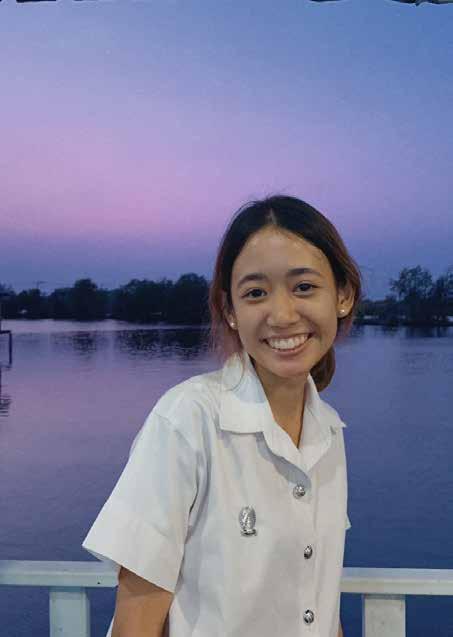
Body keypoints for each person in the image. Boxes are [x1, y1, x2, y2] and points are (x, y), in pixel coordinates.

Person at [82, 194, 363, 637]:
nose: (282, 315)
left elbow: (317, 599)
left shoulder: (328, 430)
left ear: (342, 295)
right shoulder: (188, 420)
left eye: (304, 287)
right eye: (256, 293)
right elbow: (137, 619)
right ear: (231, 310)